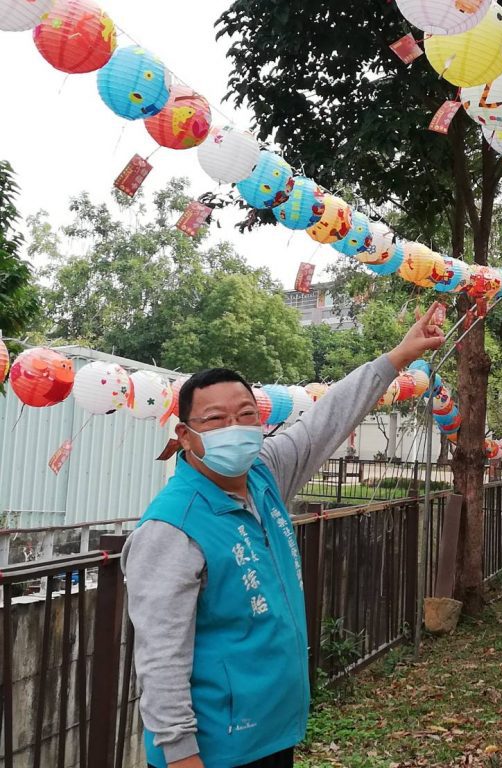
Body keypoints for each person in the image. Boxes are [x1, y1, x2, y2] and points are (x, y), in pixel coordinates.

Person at [123, 304, 446, 768]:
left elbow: (329, 417)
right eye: (215, 419)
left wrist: (396, 358)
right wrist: (179, 755)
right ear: (186, 435)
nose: (234, 428)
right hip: (215, 751)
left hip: (273, 732)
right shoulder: (171, 530)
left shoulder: (265, 474)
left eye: (246, 414)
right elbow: (159, 659)